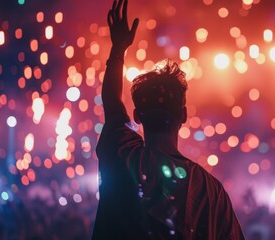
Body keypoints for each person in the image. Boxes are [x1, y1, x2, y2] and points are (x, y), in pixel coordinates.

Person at [92, 0, 245, 239]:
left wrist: (118, 48)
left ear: (137, 116)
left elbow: (112, 104)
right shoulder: (211, 191)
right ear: (183, 116)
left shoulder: (124, 156)